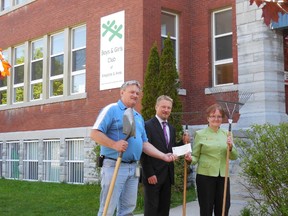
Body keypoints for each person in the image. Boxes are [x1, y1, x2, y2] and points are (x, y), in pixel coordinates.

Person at [90, 80, 177, 216]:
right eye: (132, 92)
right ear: (122, 92)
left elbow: (144, 144)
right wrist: (114, 144)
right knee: (108, 207)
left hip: (133, 168)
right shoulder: (111, 109)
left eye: (137, 93)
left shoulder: (138, 116)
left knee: (128, 209)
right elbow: (94, 133)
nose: (135, 95)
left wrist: (163, 156)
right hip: (115, 165)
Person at [140, 95, 191, 216]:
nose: (166, 110)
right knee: (152, 210)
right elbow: (143, 150)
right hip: (153, 176)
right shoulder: (147, 126)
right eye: (163, 107)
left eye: (169, 107)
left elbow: (171, 150)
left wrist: (182, 142)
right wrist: (149, 173)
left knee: (164, 209)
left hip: (167, 175)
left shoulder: (171, 128)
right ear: (156, 107)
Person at [190, 104, 239, 216]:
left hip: (223, 176)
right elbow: (195, 157)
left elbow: (234, 156)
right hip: (205, 176)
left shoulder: (227, 134)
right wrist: (189, 159)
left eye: (219, 116)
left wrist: (230, 147)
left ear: (222, 119)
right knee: (206, 209)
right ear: (208, 118)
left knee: (223, 208)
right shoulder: (200, 134)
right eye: (213, 116)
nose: (216, 119)